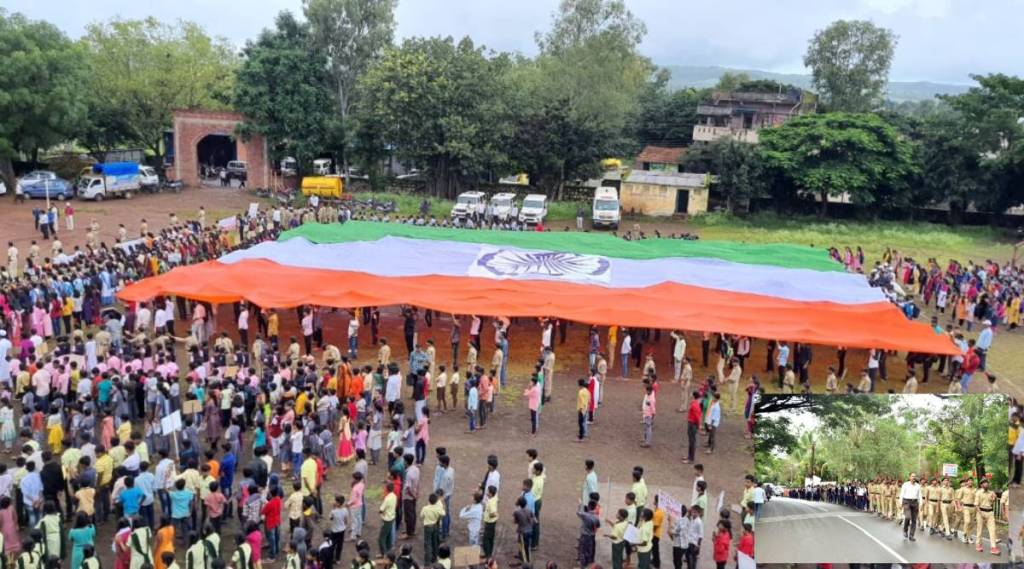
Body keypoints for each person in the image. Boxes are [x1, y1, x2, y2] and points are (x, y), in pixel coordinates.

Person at [900, 473, 921, 540]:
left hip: (915, 502)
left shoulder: (918, 486)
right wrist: (900, 503)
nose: (913, 478)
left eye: (915, 476)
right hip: (907, 502)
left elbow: (919, 495)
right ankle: (905, 530)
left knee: (914, 520)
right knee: (907, 517)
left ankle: (911, 535)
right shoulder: (905, 484)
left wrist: (921, 504)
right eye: (912, 476)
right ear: (909, 477)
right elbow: (902, 494)